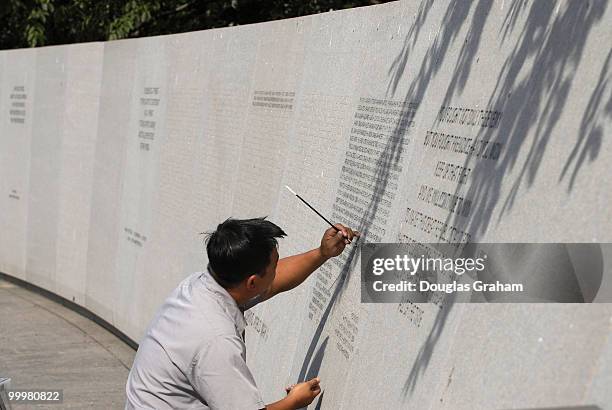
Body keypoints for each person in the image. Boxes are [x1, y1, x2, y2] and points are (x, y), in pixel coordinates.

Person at [126, 217, 359, 410]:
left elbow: (274, 281)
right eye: (274, 266)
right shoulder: (216, 340)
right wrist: (294, 401)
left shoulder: (202, 284)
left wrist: (322, 253)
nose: (277, 271)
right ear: (252, 282)